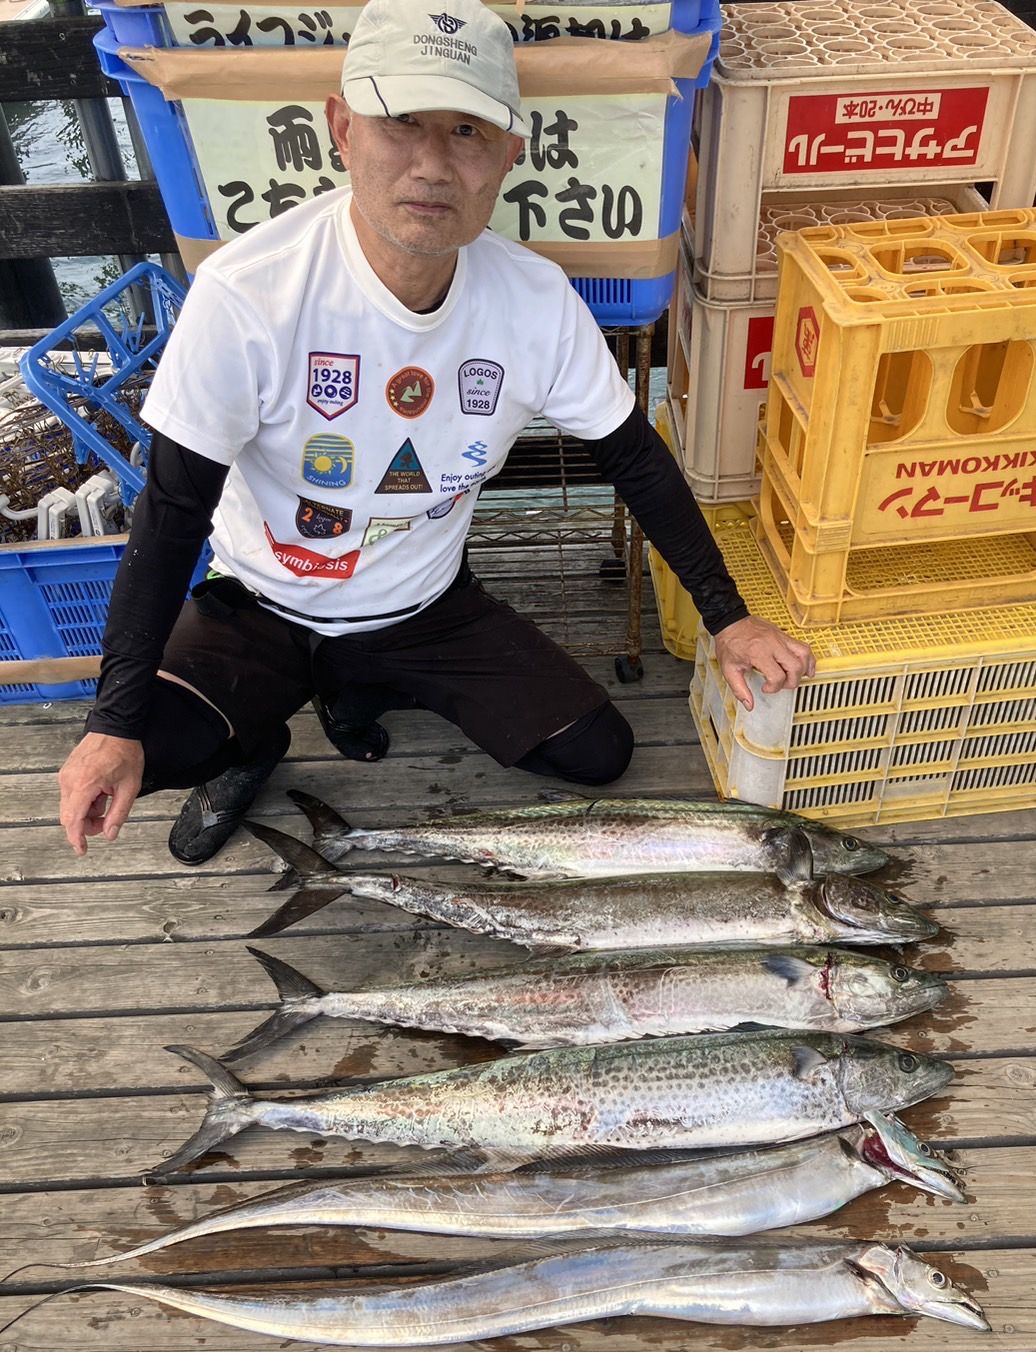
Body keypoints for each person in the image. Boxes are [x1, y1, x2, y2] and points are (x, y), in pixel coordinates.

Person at [57, 0, 814, 865]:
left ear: (508, 155)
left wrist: (727, 618)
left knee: (596, 752)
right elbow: (170, 512)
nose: (431, 164)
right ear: (342, 129)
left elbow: (635, 460)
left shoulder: (535, 301)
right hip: (264, 600)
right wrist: (111, 721)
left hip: (422, 602)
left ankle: (357, 681)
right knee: (146, 744)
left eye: (466, 132)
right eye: (400, 123)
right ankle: (254, 739)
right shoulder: (246, 291)